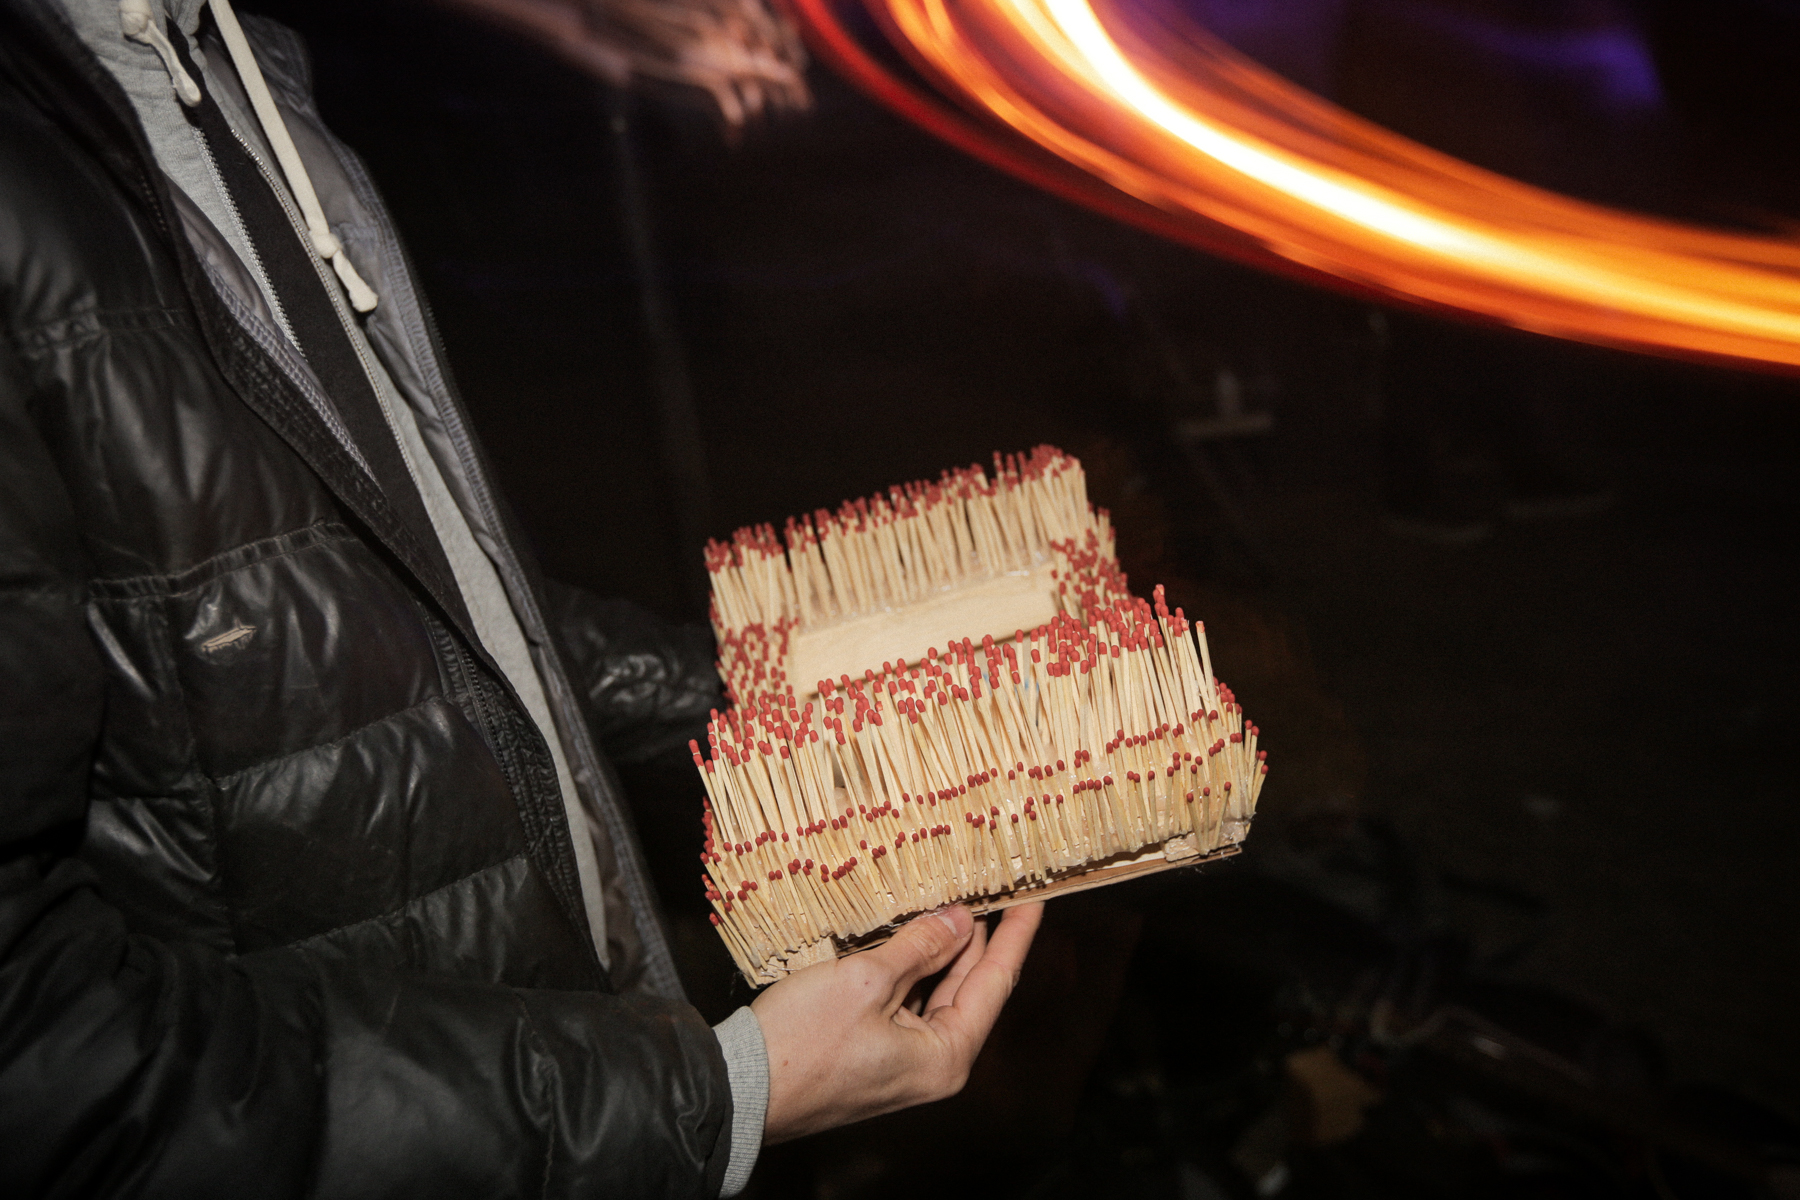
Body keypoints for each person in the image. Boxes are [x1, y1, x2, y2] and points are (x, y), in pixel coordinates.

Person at [0, 0, 1043, 1194]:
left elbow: (417, 622)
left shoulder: (235, 73)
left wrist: (830, 721)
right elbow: (41, 1062)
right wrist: (705, 1100)